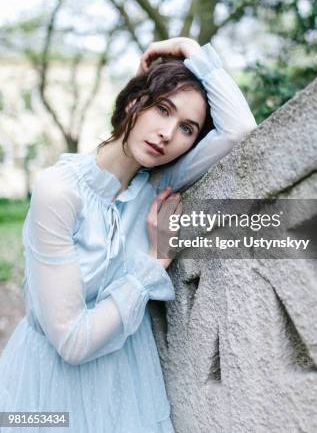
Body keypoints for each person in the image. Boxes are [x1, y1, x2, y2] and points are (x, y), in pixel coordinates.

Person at [0, 37, 256, 432]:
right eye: (161, 108)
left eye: (187, 128)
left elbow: (240, 130)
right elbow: (72, 342)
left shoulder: (157, 182)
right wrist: (155, 261)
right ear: (133, 101)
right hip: (49, 388)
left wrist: (191, 49)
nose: (168, 133)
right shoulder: (59, 191)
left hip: (126, 379)